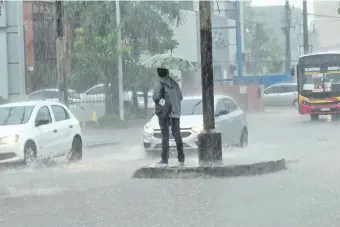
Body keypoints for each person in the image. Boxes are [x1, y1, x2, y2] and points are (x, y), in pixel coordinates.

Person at [152, 67, 184, 165]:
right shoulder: (174, 83)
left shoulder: (159, 83)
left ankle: (165, 158)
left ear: (159, 73)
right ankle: (181, 157)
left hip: (164, 113)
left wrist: (164, 103)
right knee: (177, 135)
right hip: (175, 113)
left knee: (165, 136)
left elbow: (155, 98)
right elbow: (181, 98)